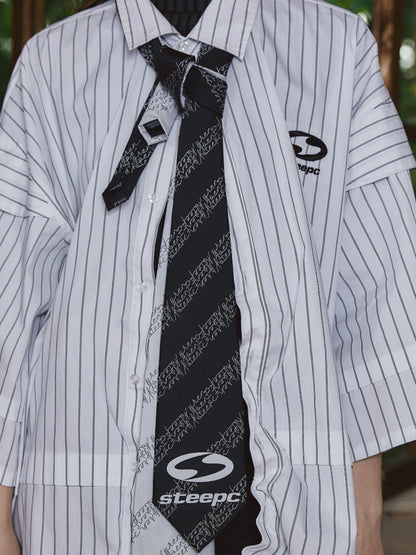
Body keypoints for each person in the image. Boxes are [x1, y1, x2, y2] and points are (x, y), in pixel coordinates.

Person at [0, 0, 415, 553]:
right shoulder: (52, 63)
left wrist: (364, 518)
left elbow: (374, 300)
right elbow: (11, 302)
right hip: (85, 498)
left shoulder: (336, 49)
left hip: (295, 497)